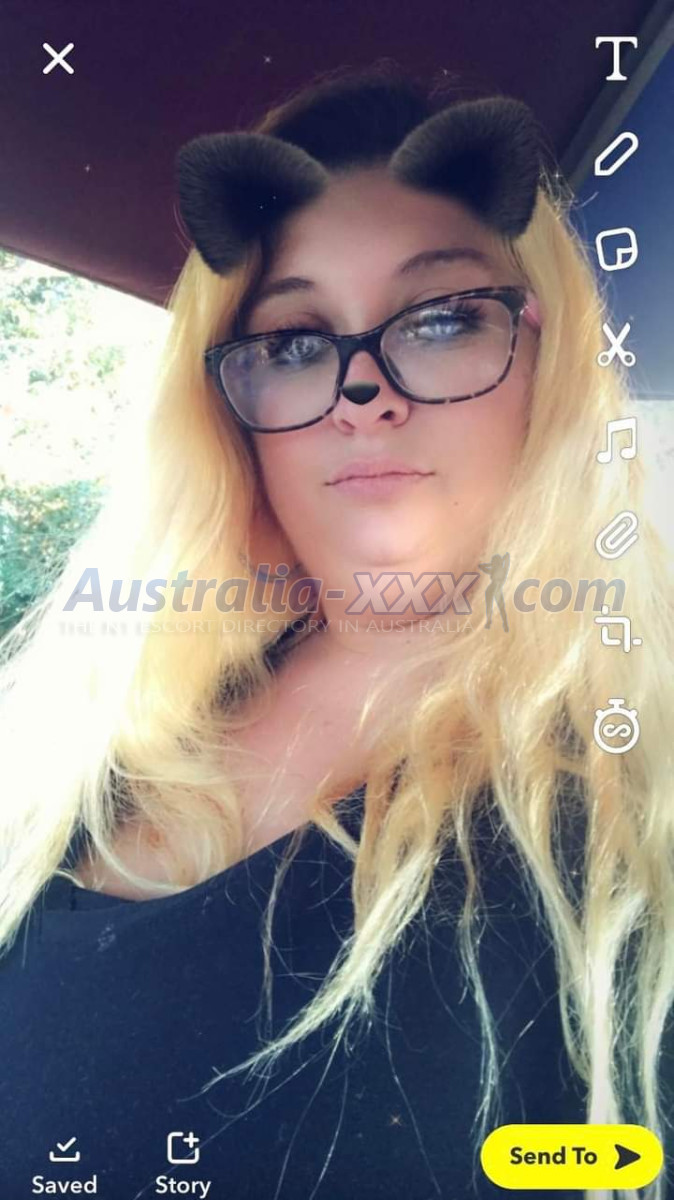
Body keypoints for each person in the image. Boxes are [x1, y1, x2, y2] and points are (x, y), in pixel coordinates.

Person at [0, 60, 672, 1200]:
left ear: (546, 357)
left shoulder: (634, 806)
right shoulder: (93, 712)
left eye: (443, 318)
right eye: (297, 341)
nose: (365, 396)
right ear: (231, 411)